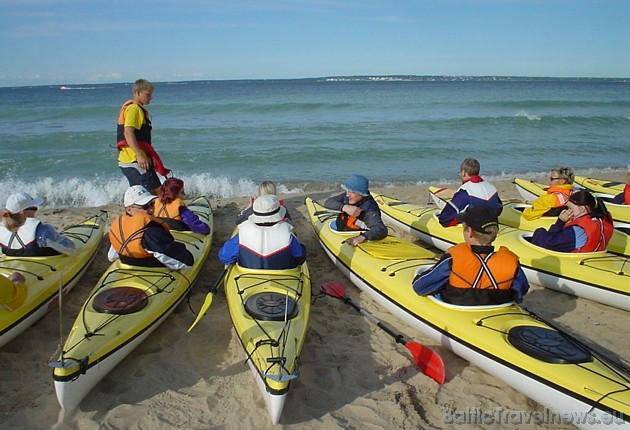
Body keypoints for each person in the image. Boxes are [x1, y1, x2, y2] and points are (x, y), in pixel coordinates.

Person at [413, 206, 529, 306]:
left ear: (470, 232)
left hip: (456, 308)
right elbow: (521, 291)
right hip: (495, 308)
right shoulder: (512, 264)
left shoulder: (452, 259)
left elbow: (420, 287)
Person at [108, 185, 194, 269]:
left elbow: (111, 256)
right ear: (129, 209)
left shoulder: (118, 225)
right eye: (145, 206)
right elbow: (186, 263)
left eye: (152, 204)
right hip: (150, 268)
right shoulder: (151, 232)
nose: (151, 209)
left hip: (126, 264)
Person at [219, 195, 305, 269]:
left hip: (247, 276)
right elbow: (300, 257)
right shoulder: (287, 233)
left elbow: (225, 257)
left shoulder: (243, 232)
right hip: (282, 276)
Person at [116, 79, 170, 195]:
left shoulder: (134, 108)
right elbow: (128, 132)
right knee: (156, 193)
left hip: (128, 160)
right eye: (148, 94)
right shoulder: (134, 109)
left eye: (151, 94)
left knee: (140, 195)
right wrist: (140, 155)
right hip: (135, 161)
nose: (150, 97)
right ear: (138, 93)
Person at [531, 190, 614, 253]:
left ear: (582, 209)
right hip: (592, 255)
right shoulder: (601, 219)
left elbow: (546, 243)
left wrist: (560, 222)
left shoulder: (576, 231)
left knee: (540, 233)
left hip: (576, 264)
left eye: (570, 208)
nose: (568, 211)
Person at [0, 192, 76, 257]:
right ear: (24, 212)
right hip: (42, 267)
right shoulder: (43, 231)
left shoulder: (2, 231)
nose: (36, 210)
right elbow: (72, 250)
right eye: (34, 208)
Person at [323, 174, 388, 247]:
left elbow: (381, 229)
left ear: (362, 194)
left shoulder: (369, 209)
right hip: (340, 229)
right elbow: (328, 202)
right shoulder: (347, 196)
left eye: (352, 192)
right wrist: (344, 207)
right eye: (347, 190)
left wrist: (362, 237)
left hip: (354, 235)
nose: (347, 195)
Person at [438, 158, 502, 227]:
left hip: (477, 230)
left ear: (464, 173)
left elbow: (444, 219)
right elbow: (499, 209)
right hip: (492, 224)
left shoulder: (465, 192)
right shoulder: (492, 187)